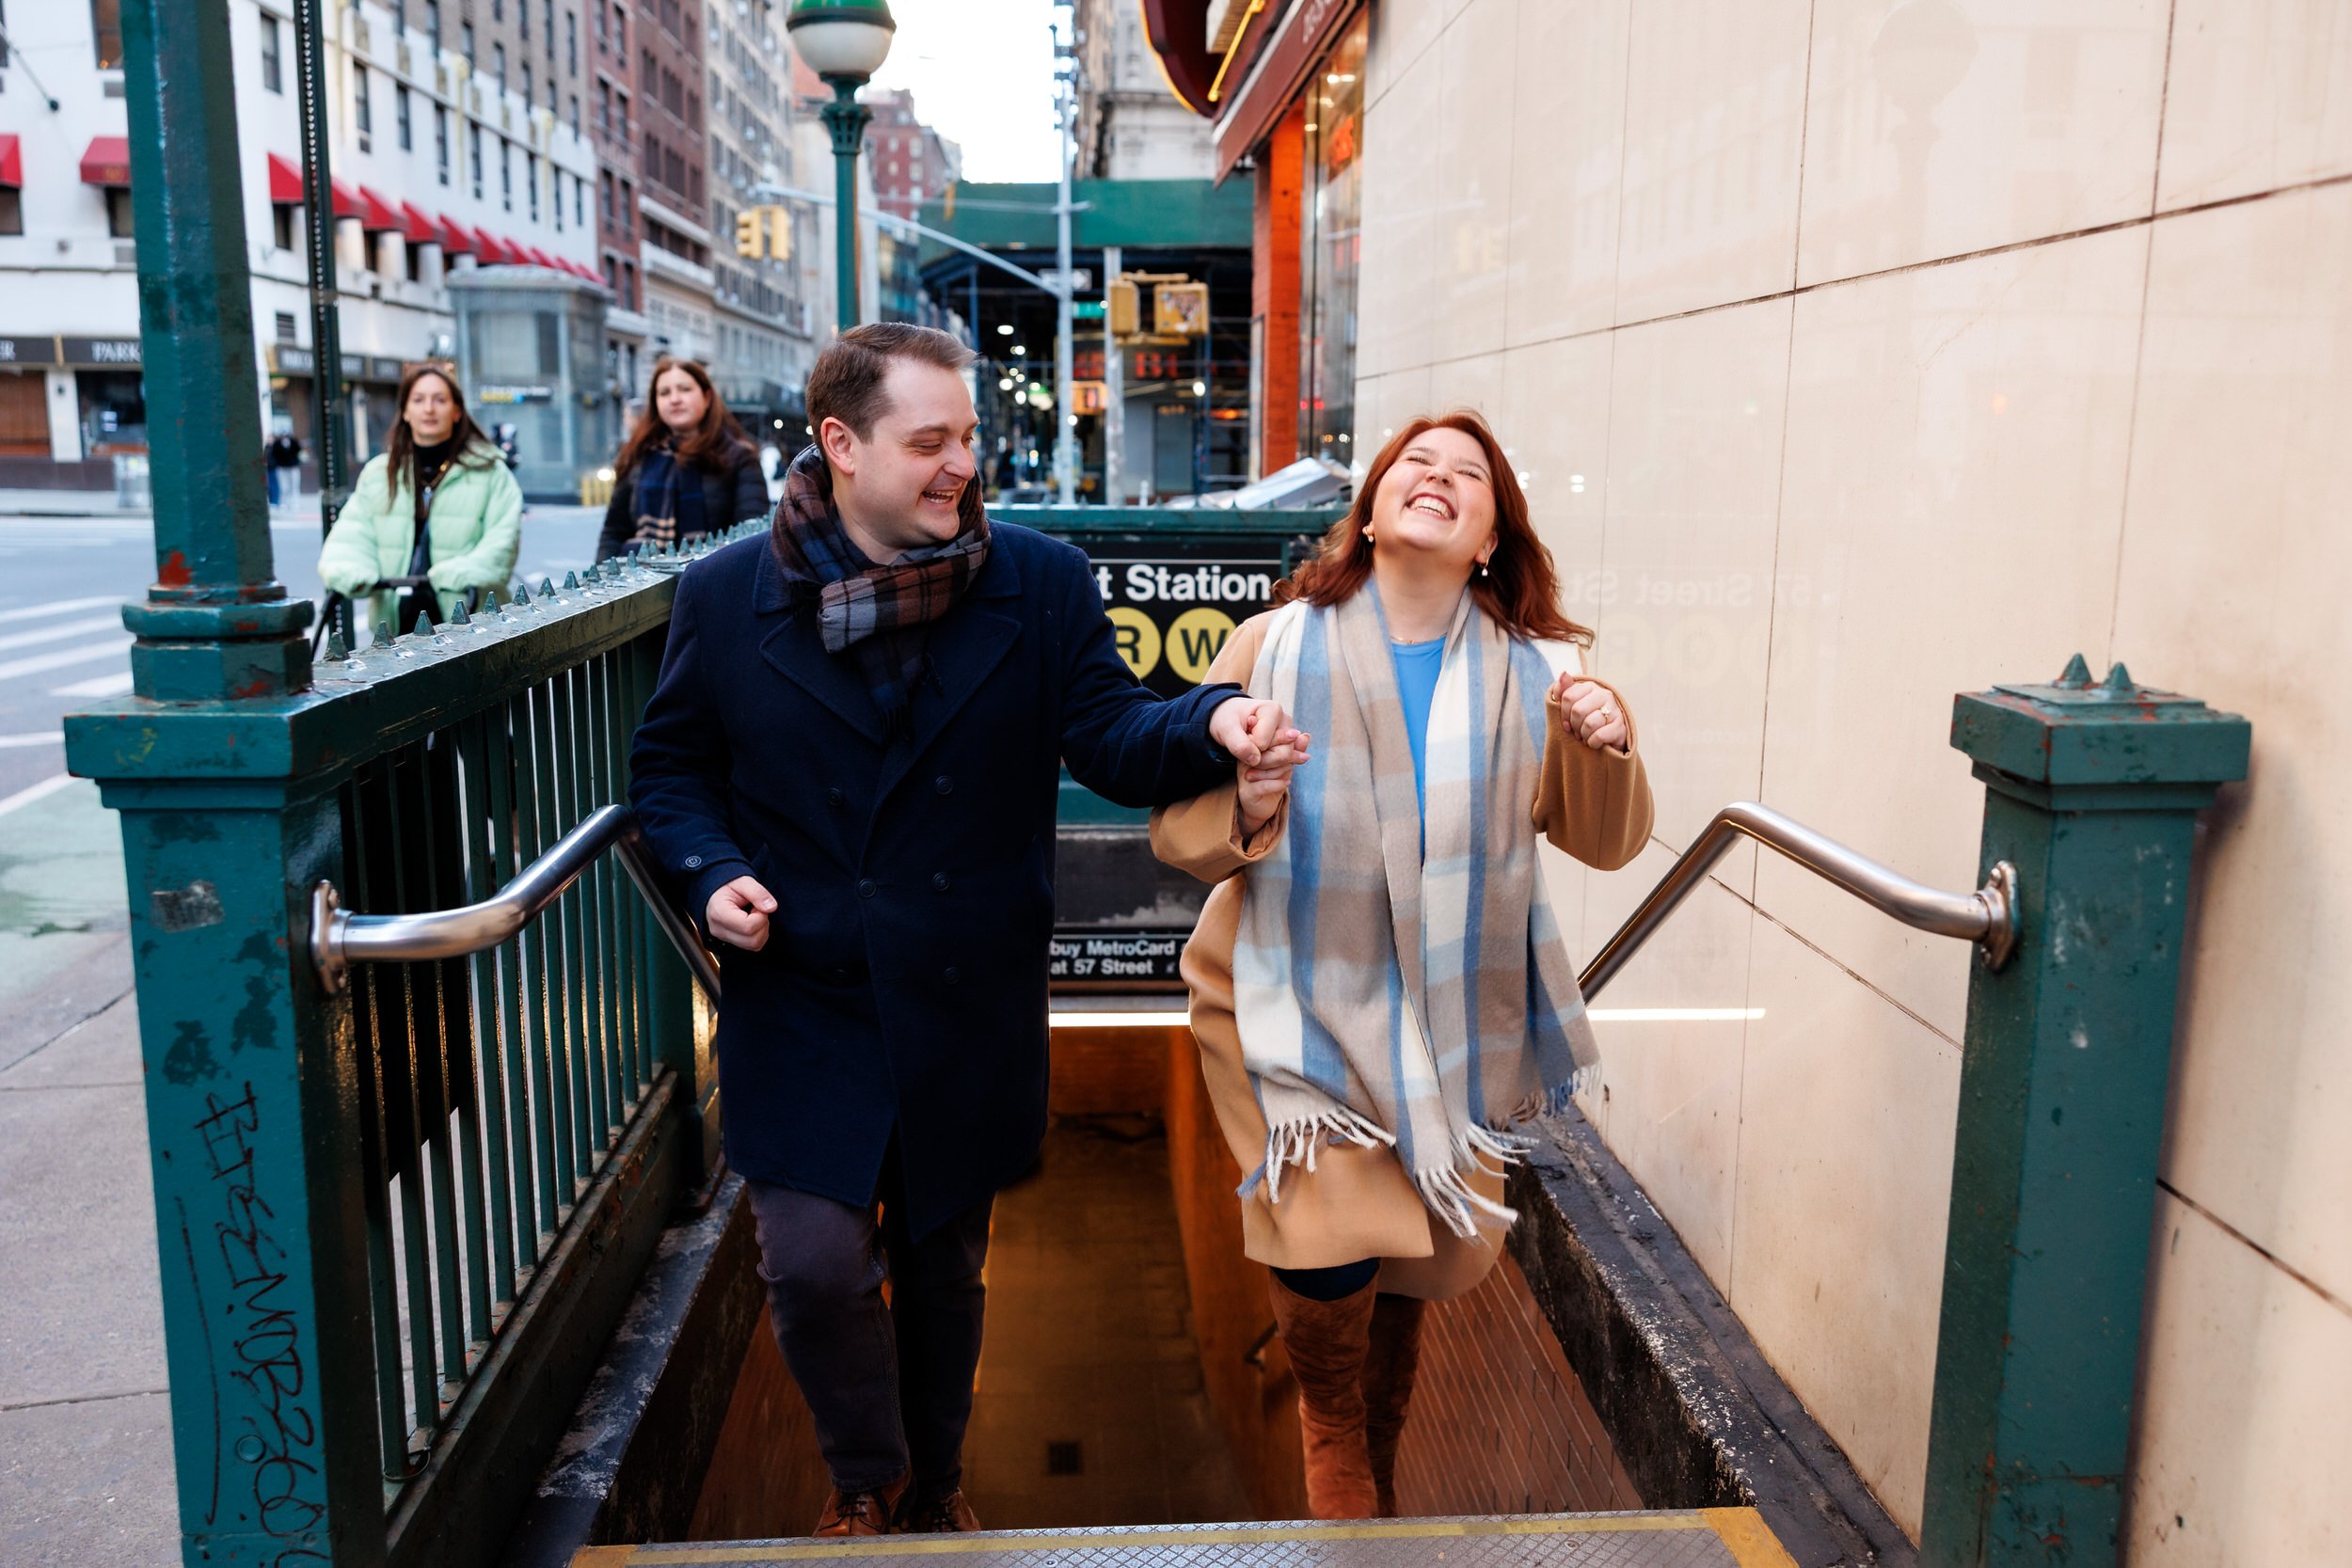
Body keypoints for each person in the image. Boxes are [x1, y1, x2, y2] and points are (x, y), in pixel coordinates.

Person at [627, 324, 1301, 1539]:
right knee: (814, 1266)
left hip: (961, 996)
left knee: (947, 1273)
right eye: (929, 441)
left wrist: (1217, 724)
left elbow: (1109, 729)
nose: (961, 465)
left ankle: (935, 1486)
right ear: (841, 445)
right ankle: (866, 1481)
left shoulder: (1034, 582)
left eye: (970, 438)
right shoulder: (727, 595)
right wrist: (711, 868)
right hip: (804, 991)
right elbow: (670, 770)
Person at [1150, 411, 1655, 1520]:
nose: (1436, 479)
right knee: (1328, 1235)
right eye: (1412, 466)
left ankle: (1377, 1440)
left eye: (1466, 474)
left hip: (1448, 1015)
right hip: (1288, 1002)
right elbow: (1177, 838)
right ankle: (1333, 1426)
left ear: (1488, 536)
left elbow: (1609, 841)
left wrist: (1607, 741)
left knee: (1415, 1252)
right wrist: (1248, 799)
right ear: (1369, 514)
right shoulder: (1269, 646)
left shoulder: (1542, 676)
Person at [318, 366, 521, 634]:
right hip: (396, 628)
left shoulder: (490, 472)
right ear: (405, 411)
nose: (429, 409)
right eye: (418, 400)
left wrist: (461, 572)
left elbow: (502, 543)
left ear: (457, 411)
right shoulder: (379, 473)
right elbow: (352, 536)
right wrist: (352, 570)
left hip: (473, 625)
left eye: (440, 400)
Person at [595, 356, 771, 562]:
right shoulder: (638, 455)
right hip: (641, 578)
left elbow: (750, 536)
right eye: (664, 393)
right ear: (656, 403)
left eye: (685, 389)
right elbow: (613, 532)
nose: (674, 399)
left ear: (706, 397)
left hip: (709, 578)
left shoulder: (740, 456)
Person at [267, 425, 302, 508]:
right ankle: (284, 503)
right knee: (284, 487)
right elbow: (274, 455)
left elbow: (298, 451)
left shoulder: (293, 442)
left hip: (293, 468)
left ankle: (295, 503)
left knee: (294, 486)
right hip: (282, 468)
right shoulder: (277, 444)